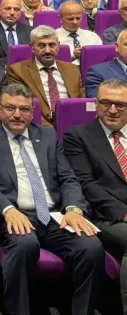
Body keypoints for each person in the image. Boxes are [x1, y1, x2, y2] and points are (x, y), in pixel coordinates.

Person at [0, 83, 104, 315]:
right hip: (14, 213)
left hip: (53, 215)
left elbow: (68, 178)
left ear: (32, 112)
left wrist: (74, 209)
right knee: (24, 244)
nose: (17, 114)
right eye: (10, 108)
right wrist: (8, 210)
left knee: (91, 247)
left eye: (24, 109)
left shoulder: (48, 136)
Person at [64, 78, 127, 313]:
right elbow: (87, 184)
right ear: (96, 103)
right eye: (106, 103)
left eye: (121, 105)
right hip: (106, 216)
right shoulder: (78, 136)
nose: (113, 110)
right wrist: (123, 213)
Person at [6, 25, 85, 126]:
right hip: (39, 126)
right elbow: (20, 105)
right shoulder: (18, 71)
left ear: (58, 46)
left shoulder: (72, 69)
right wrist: (49, 130)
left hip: (73, 124)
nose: (47, 51)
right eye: (41, 46)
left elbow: (82, 102)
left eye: (52, 45)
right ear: (32, 47)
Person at [0, 0, 34, 68]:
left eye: (16, 9)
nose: (12, 13)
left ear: (20, 13)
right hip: (0, 70)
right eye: (8, 9)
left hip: (26, 69)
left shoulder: (30, 31)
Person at [54, 1, 102, 66]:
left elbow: (100, 56)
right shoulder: (53, 37)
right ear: (60, 18)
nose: (75, 22)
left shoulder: (92, 36)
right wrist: (72, 55)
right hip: (64, 69)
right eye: (70, 19)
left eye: (78, 18)